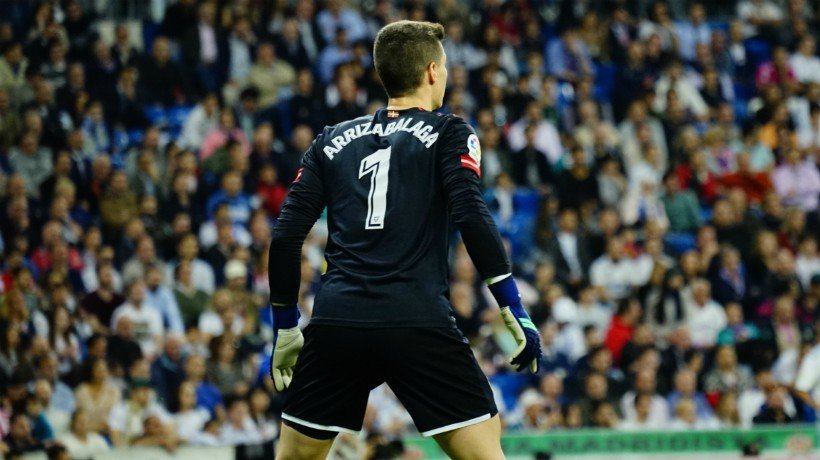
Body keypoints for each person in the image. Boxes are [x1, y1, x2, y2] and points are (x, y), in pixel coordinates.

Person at [267, 21, 542, 459]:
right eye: (445, 66)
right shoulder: (451, 132)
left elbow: (285, 236)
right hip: (416, 316)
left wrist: (285, 325)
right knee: (485, 447)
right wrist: (511, 305)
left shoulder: (329, 141)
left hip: (339, 319)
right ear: (432, 71)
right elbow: (471, 214)